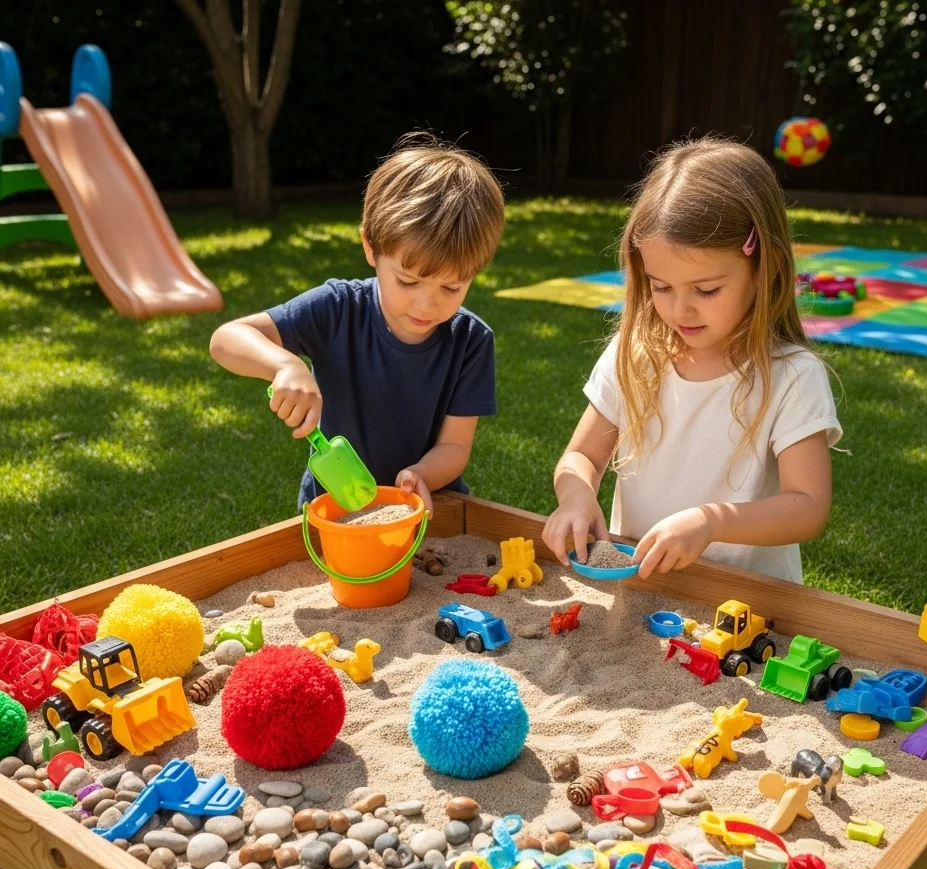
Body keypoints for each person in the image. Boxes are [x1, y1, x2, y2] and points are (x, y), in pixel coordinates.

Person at [542, 138, 842, 583]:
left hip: (746, 601)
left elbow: (808, 506)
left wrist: (711, 521)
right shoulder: (636, 353)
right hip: (645, 586)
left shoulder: (791, 375)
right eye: (661, 286)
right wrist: (575, 494)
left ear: (764, 269)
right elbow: (582, 455)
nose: (680, 310)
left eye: (705, 290)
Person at [209, 134, 505, 514]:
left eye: (452, 286)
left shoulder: (471, 340)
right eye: (407, 281)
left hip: (425, 504)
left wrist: (420, 476)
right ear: (371, 247)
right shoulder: (336, 309)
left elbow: (454, 446)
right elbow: (227, 338)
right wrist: (286, 365)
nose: (426, 303)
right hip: (334, 504)